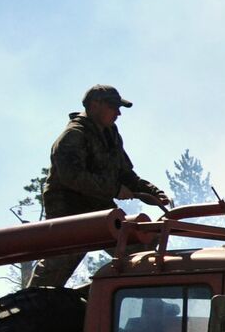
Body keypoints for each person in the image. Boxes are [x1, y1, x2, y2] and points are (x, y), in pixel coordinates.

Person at [26, 85, 172, 288]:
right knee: (59, 262)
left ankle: (144, 298)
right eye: (114, 107)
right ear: (95, 105)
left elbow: (125, 173)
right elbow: (73, 177)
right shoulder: (73, 136)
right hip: (69, 210)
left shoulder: (110, 134)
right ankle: (24, 309)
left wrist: (152, 192)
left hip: (98, 206)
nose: (119, 113)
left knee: (138, 247)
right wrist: (114, 190)